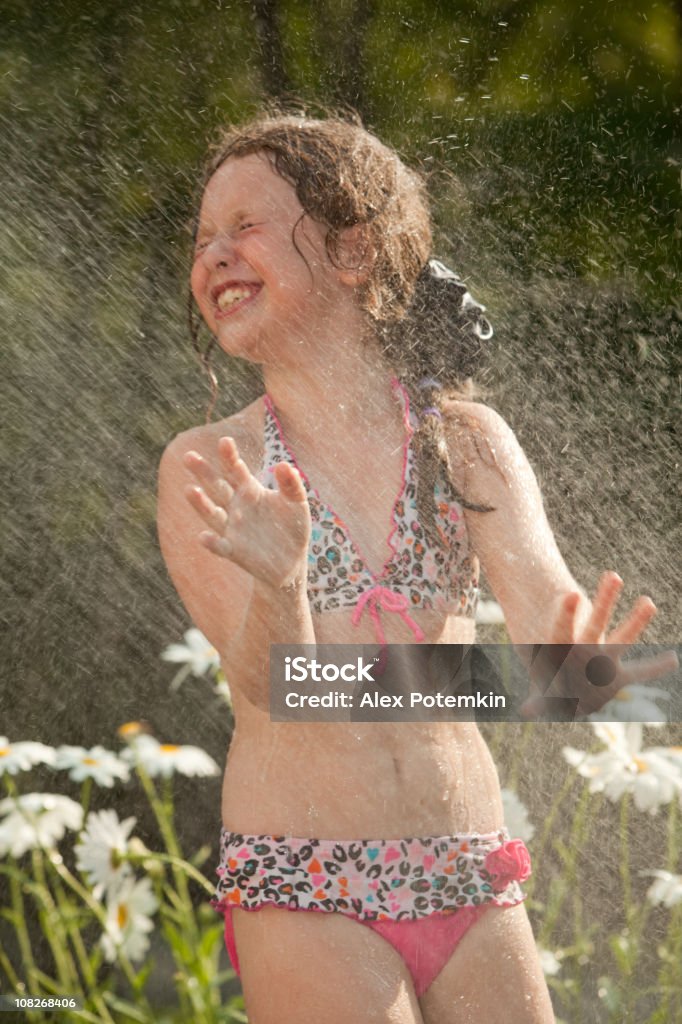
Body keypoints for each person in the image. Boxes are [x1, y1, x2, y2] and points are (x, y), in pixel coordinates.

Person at [157, 112, 673, 1024]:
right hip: (306, 881)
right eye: (203, 238)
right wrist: (281, 583)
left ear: (353, 252)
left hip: (466, 867)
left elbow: (555, 651)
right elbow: (280, 688)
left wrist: (581, 671)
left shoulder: (467, 445)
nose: (214, 255)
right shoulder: (211, 467)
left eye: (244, 226)